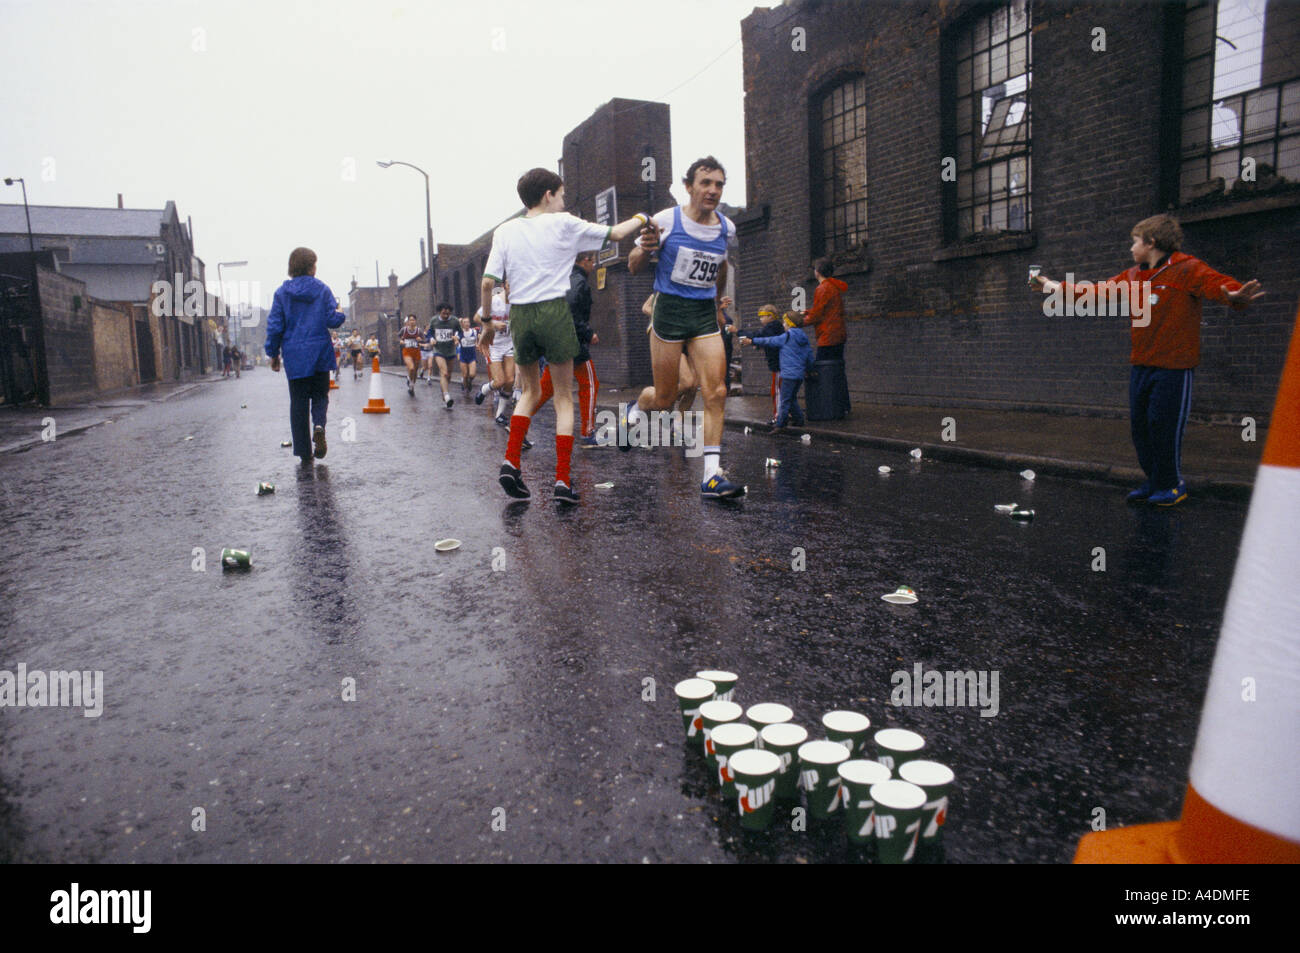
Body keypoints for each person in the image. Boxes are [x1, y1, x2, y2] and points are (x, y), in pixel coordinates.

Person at [1032, 213, 1264, 506]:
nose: (1131, 248)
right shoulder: (1132, 276)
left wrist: (1233, 295)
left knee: (1164, 427)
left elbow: (1217, 285)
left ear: (1152, 242)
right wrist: (1051, 287)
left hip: (1175, 369)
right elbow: (1093, 293)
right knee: (1140, 428)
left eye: (1135, 242)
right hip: (1141, 364)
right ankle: (1154, 481)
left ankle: (1172, 484)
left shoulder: (1187, 269)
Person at [481, 167, 650, 504]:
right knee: (562, 397)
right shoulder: (565, 223)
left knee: (528, 392)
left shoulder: (506, 230)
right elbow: (617, 234)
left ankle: (510, 462)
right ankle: (562, 481)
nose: (563, 201)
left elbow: (488, 282)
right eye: (560, 195)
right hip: (554, 312)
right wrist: (642, 217)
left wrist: (487, 322)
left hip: (521, 316)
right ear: (548, 194)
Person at [626, 156, 742, 499]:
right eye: (705, 183)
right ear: (689, 186)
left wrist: (718, 303)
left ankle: (710, 476)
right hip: (670, 313)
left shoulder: (726, 228)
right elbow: (633, 266)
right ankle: (637, 408)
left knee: (717, 391)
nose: (713, 190)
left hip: (704, 316)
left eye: (719, 184)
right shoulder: (666, 220)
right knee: (664, 399)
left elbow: (721, 266)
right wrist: (645, 251)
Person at [264, 247, 345, 465]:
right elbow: (333, 320)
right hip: (319, 352)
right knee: (320, 395)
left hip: (295, 355)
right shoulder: (322, 289)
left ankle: (303, 451)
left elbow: (275, 326)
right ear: (310, 267)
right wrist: (340, 311)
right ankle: (319, 425)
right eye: (314, 264)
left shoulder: (282, 293)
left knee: (298, 402)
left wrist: (273, 354)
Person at [535, 251, 601, 446]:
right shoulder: (577, 280)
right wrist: (588, 334)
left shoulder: (564, 278)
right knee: (590, 383)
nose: (594, 265)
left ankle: (519, 420)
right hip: (572, 342)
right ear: (584, 261)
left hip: (555, 340)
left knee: (545, 388)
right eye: (592, 260)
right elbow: (571, 312)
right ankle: (588, 432)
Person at [741, 313, 815, 431]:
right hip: (799, 374)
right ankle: (799, 420)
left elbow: (769, 340)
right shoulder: (803, 337)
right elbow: (809, 355)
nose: (783, 325)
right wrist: (810, 369)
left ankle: (780, 425)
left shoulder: (787, 336)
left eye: (785, 323)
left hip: (788, 374)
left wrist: (752, 341)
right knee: (792, 398)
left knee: (785, 400)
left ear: (790, 324)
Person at [737, 304, 784, 425]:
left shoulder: (770, 328)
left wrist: (737, 331)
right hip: (779, 364)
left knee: (777, 392)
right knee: (782, 391)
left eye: (762, 316)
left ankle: (778, 417)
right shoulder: (775, 327)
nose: (760, 319)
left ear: (770, 316)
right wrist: (757, 344)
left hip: (778, 365)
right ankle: (786, 415)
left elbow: (759, 336)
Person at [475, 287, 516, 425]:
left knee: (510, 381)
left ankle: (500, 414)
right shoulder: (494, 301)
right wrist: (493, 324)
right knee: (499, 382)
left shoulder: (518, 301)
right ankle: (484, 389)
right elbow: (476, 317)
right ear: (505, 285)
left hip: (509, 343)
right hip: (493, 345)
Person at [800, 258, 847, 361]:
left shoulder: (822, 288)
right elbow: (826, 310)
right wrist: (807, 312)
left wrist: (799, 322)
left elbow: (817, 315)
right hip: (838, 334)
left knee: (823, 369)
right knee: (836, 368)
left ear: (817, 272)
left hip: (827, 337)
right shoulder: (833, 286)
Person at [426, 303, 459, 409]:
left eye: (448, 313)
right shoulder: (434, 320)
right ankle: (447, 396)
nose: (446, 315)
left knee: (448, 375)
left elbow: (460, 331)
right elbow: (429, 332)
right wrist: (431, 339)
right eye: (444, 313)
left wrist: (457, 337)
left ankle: (444, 391)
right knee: (444, 372)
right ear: (439, 311)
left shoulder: (454, 320)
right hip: (438, 350)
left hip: (450, 350)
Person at [398, 314, 425, 396]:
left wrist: (421, 340)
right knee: (411, 368)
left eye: (413, 320)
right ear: (408, 322)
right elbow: (399, 337)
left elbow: (424, 339)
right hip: (407, 351)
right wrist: (401, 341)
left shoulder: (419, 330)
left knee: (415, 370)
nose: (412, 322)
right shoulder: (404, 330)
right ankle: (409, 379)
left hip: (416, 351)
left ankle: (412, 386)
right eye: (410, 320)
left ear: (415, 321)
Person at [456, 315, 480, 399]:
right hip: (463, 355)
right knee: (465, 375)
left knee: (472, 374)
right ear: (462, 324)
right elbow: (456, 340)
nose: (467, 324)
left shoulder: (474, 332)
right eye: (465, 322)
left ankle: (469, 382)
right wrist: (456, 342)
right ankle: (466, 388)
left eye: (468, 322)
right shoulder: (459, 332)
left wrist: (477, 345)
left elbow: (477, 341)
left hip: (472, 355)